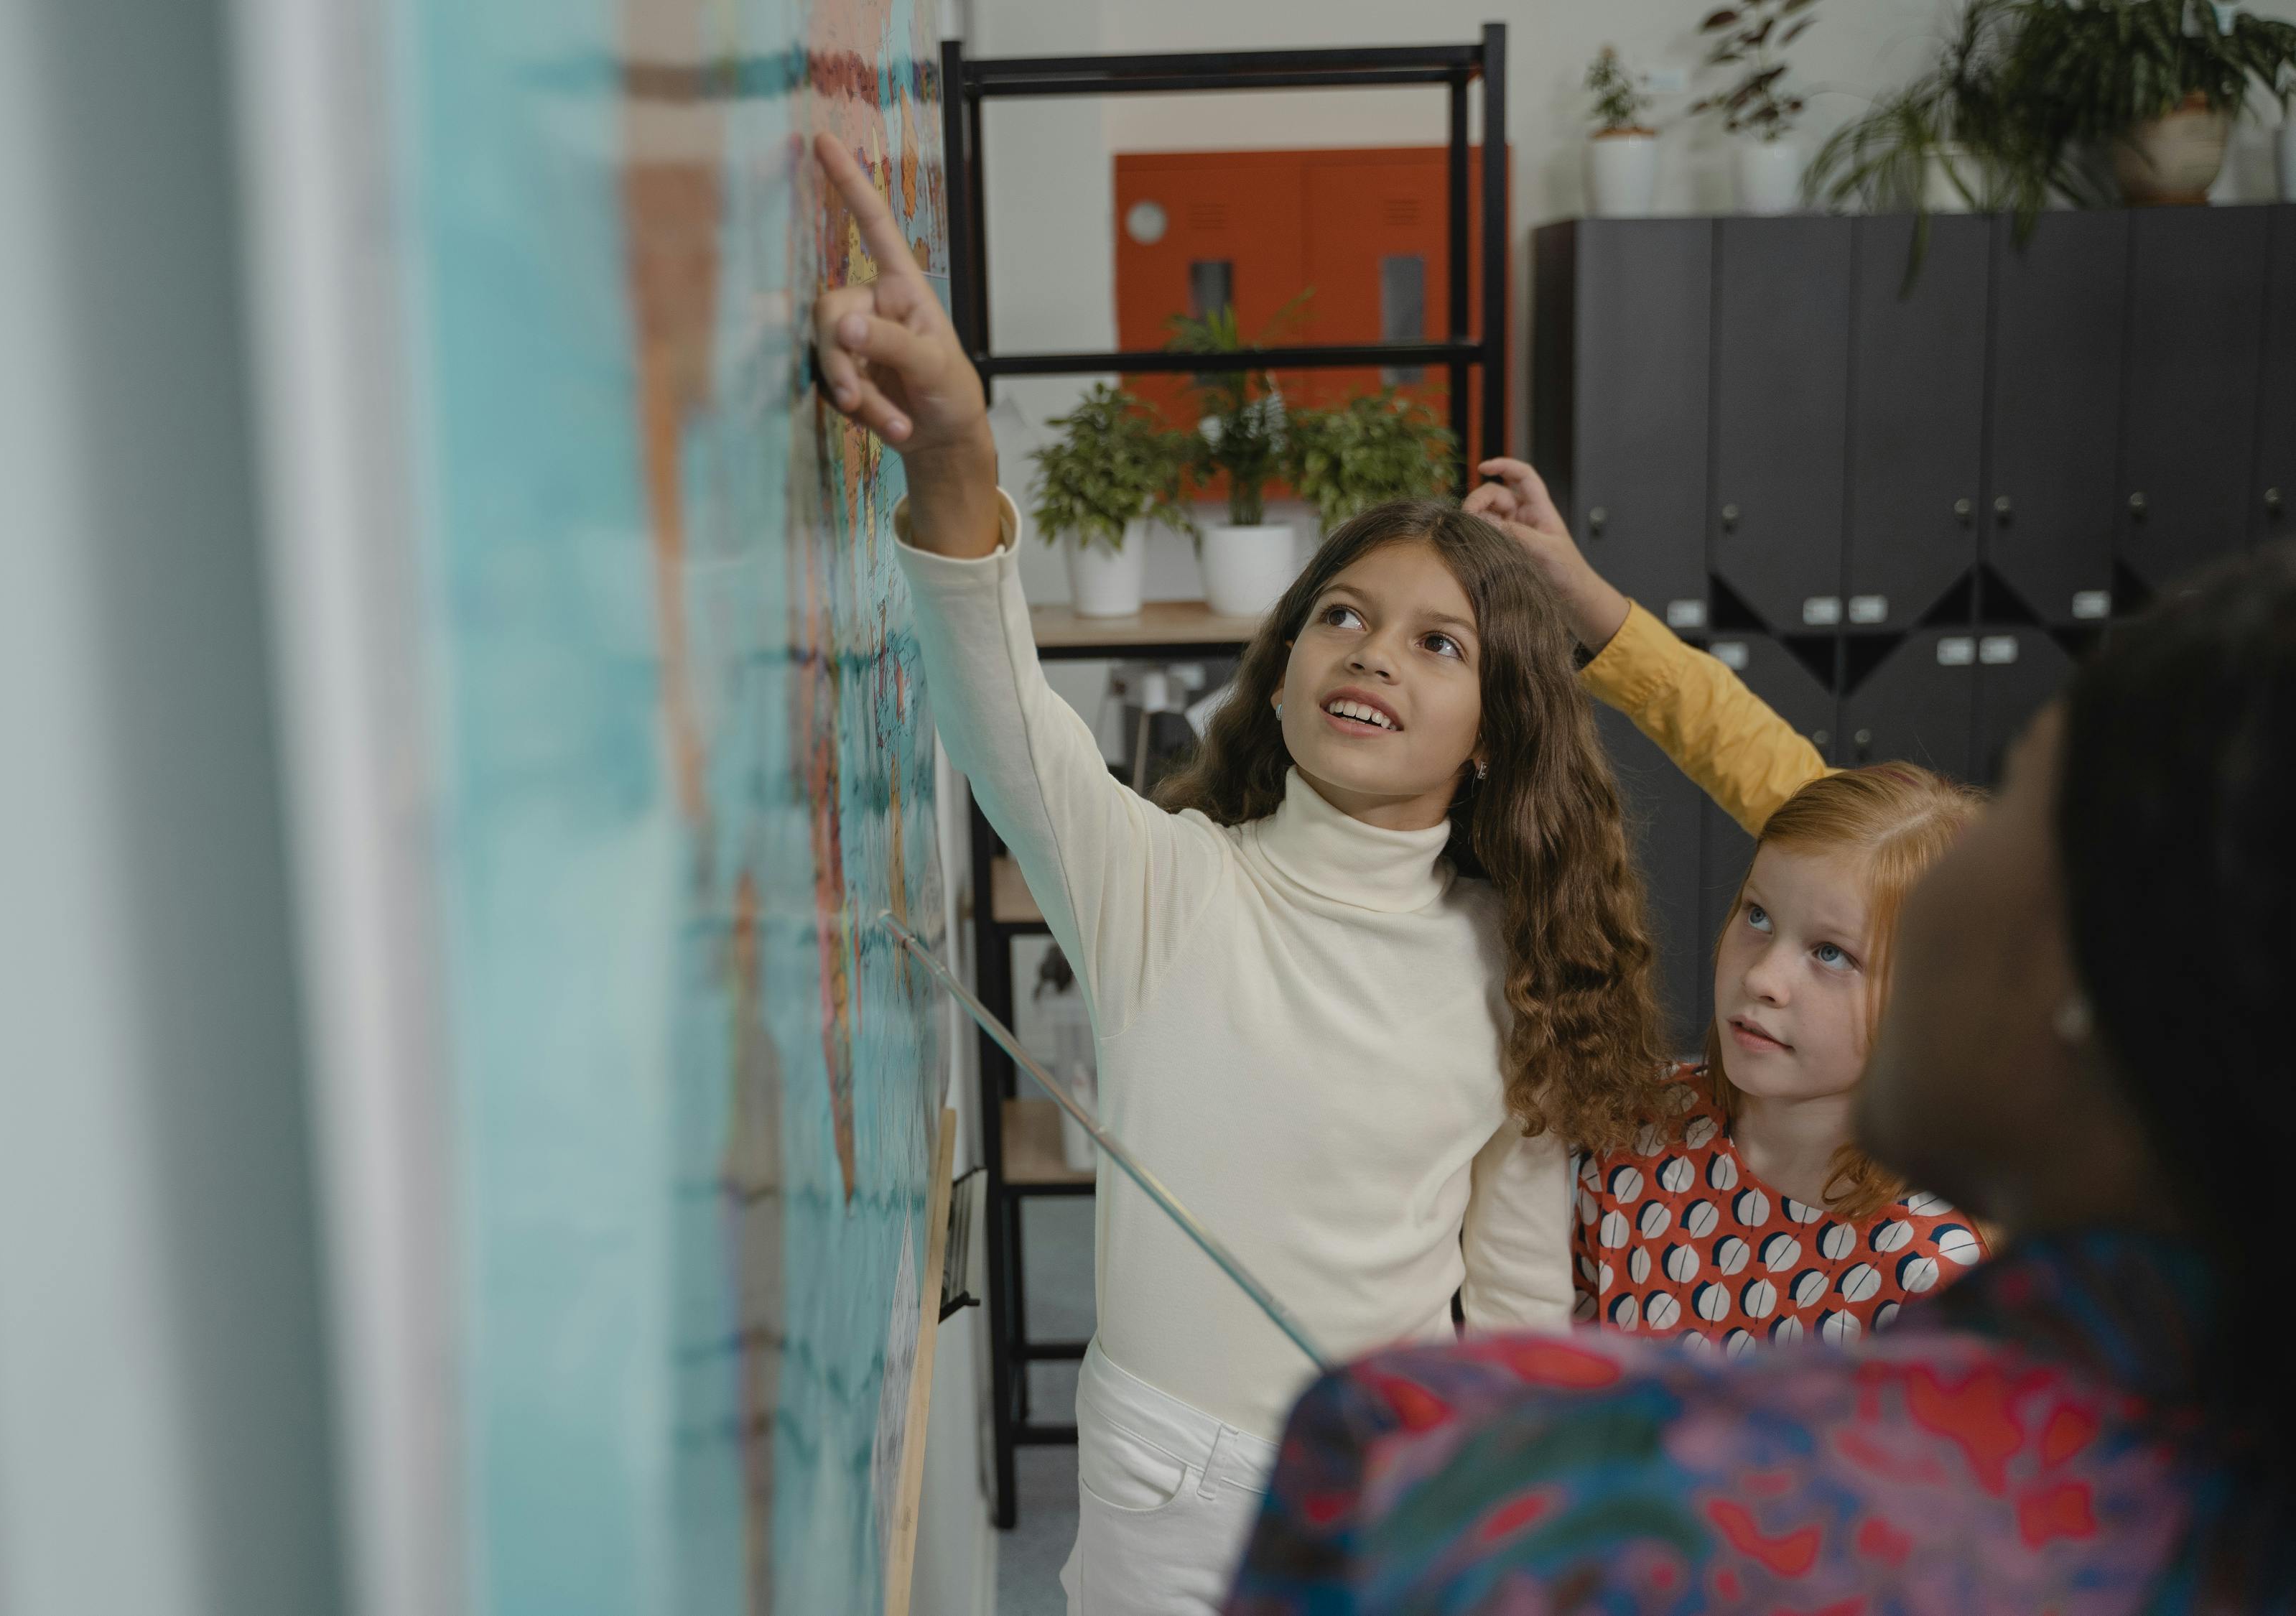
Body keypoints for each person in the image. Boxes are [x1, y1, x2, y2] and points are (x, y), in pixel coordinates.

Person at [808, 134, 1669, 1613]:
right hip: (1172, 1485)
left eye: (1435, 643)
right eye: (1341, 616)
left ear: (1492, 737)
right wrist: (952, 452)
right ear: (1277, 679)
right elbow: (1004, 717)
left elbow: (1518, 1296)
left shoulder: (1516, 957)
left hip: (1394, 1484)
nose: (1372, 655)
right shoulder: (1171, 886)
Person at [1225, 538, 2296, 1612]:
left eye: (2016, 794)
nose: (1773, 975)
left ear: (2090, 982)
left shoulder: (1406, 1472)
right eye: (1755, 918)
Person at [1456, 459, 1989, 1347]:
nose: (1766, 978)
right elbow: (1739, 744)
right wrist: (1581, 595)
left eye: (1830, 954)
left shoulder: (1928, 1277)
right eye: (1755, 917)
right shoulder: (1633, 1139)